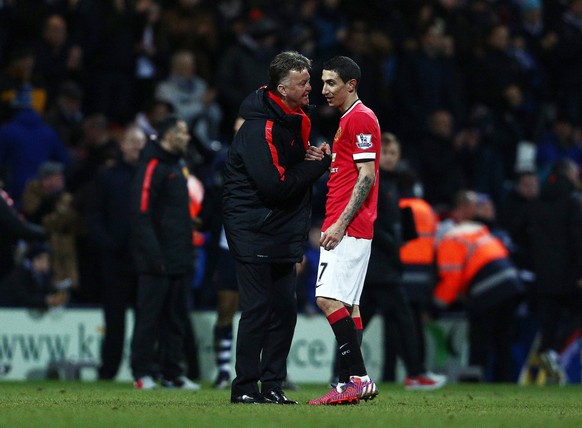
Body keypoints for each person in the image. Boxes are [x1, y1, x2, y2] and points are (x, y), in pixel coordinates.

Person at [223, 51, 331, 404]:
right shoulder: (260, 128)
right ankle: (243, 388)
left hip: (281, 227)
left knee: (284, 310)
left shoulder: (292, 120)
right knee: (257, 309)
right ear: (283, 88)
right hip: (254, 227)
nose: (310, 88)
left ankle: (272, 386)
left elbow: (287, 175)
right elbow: (275, 185)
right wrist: (316, 167)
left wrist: (308, 160)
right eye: (303, 83)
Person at [308, 56, 381, 405]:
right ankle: (344, 384)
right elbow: (351, 170)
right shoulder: (346, 122)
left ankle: (360, 378)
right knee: (349, 305)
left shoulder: (361, 118)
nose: (324, 89)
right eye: (322, 82)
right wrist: (330, 159)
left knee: (325, 298)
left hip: (348, 225)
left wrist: (340, 223)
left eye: (331, 83)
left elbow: (367, 175)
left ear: (351, 84)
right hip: (351, 225)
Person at [358, 132, 446, 390]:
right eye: (384, 153)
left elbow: (390, 221)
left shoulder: (393, 184)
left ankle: (340, 373)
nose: (389, 158)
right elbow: (369, 222)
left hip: (382, 266)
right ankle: (416, 373)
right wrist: (395, 244)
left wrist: (404, 233)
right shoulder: (373, 182)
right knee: (403, 318)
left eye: (393, 153)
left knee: (357, 323)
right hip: (379, 266)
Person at [129, 115, 200, 391]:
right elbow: (140, 213)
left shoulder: (178, 165)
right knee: (149, 318)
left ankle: (172, 373)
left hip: (180, 256)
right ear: (169, 136)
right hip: (157, 260)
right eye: (183, 132)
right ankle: (142, 372)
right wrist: (154, 256)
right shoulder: (153, 165)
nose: (188, 137)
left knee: (175, 318)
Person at [86, 124, 146, 380]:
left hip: (144, 260)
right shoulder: (107, 176)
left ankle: (142, 370)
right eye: (131, 141)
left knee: (145, 322)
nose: (135, 146)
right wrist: (107, 243)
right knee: (114, 321)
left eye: (139, 142)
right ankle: (108, 371)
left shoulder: (151, 176)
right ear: (121, 145)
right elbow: (94, 214)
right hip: (115, 261)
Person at [433, 213, 523, 382]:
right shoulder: (476, 233)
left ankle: (474, 379)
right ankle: (504, 382)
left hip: (487, 287)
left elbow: (451, 280)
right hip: (512, 283)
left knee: (480, 338)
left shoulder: (448, 241)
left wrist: (434, 308)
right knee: (503, 338)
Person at [527, 159, 582, 384]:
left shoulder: (537, 202)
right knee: (578, 313)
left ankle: (546, 366)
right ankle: (554, 353)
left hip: (543, 275)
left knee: (548, 322)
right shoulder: (572, 201)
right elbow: (577, 239)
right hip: (569, 274)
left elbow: (525, 234)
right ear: (569, 175)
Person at [0, 242, 68, 309]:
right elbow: (24, 298)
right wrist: (46, 300)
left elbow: (48, 291)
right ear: (35, 260)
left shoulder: (43, 276)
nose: (47, 264)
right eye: (45, 260)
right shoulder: (20, 274)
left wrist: (57, 296)